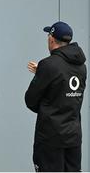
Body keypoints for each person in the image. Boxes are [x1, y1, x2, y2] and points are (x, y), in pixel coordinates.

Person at [25, 21, 87, 172]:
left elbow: (30, 100)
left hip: (50, 138)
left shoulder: (49, 64)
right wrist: (43, 73)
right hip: (73, 136)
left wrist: (42, 74)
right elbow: (64, 88)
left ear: (51, 39)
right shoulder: (81, 66)